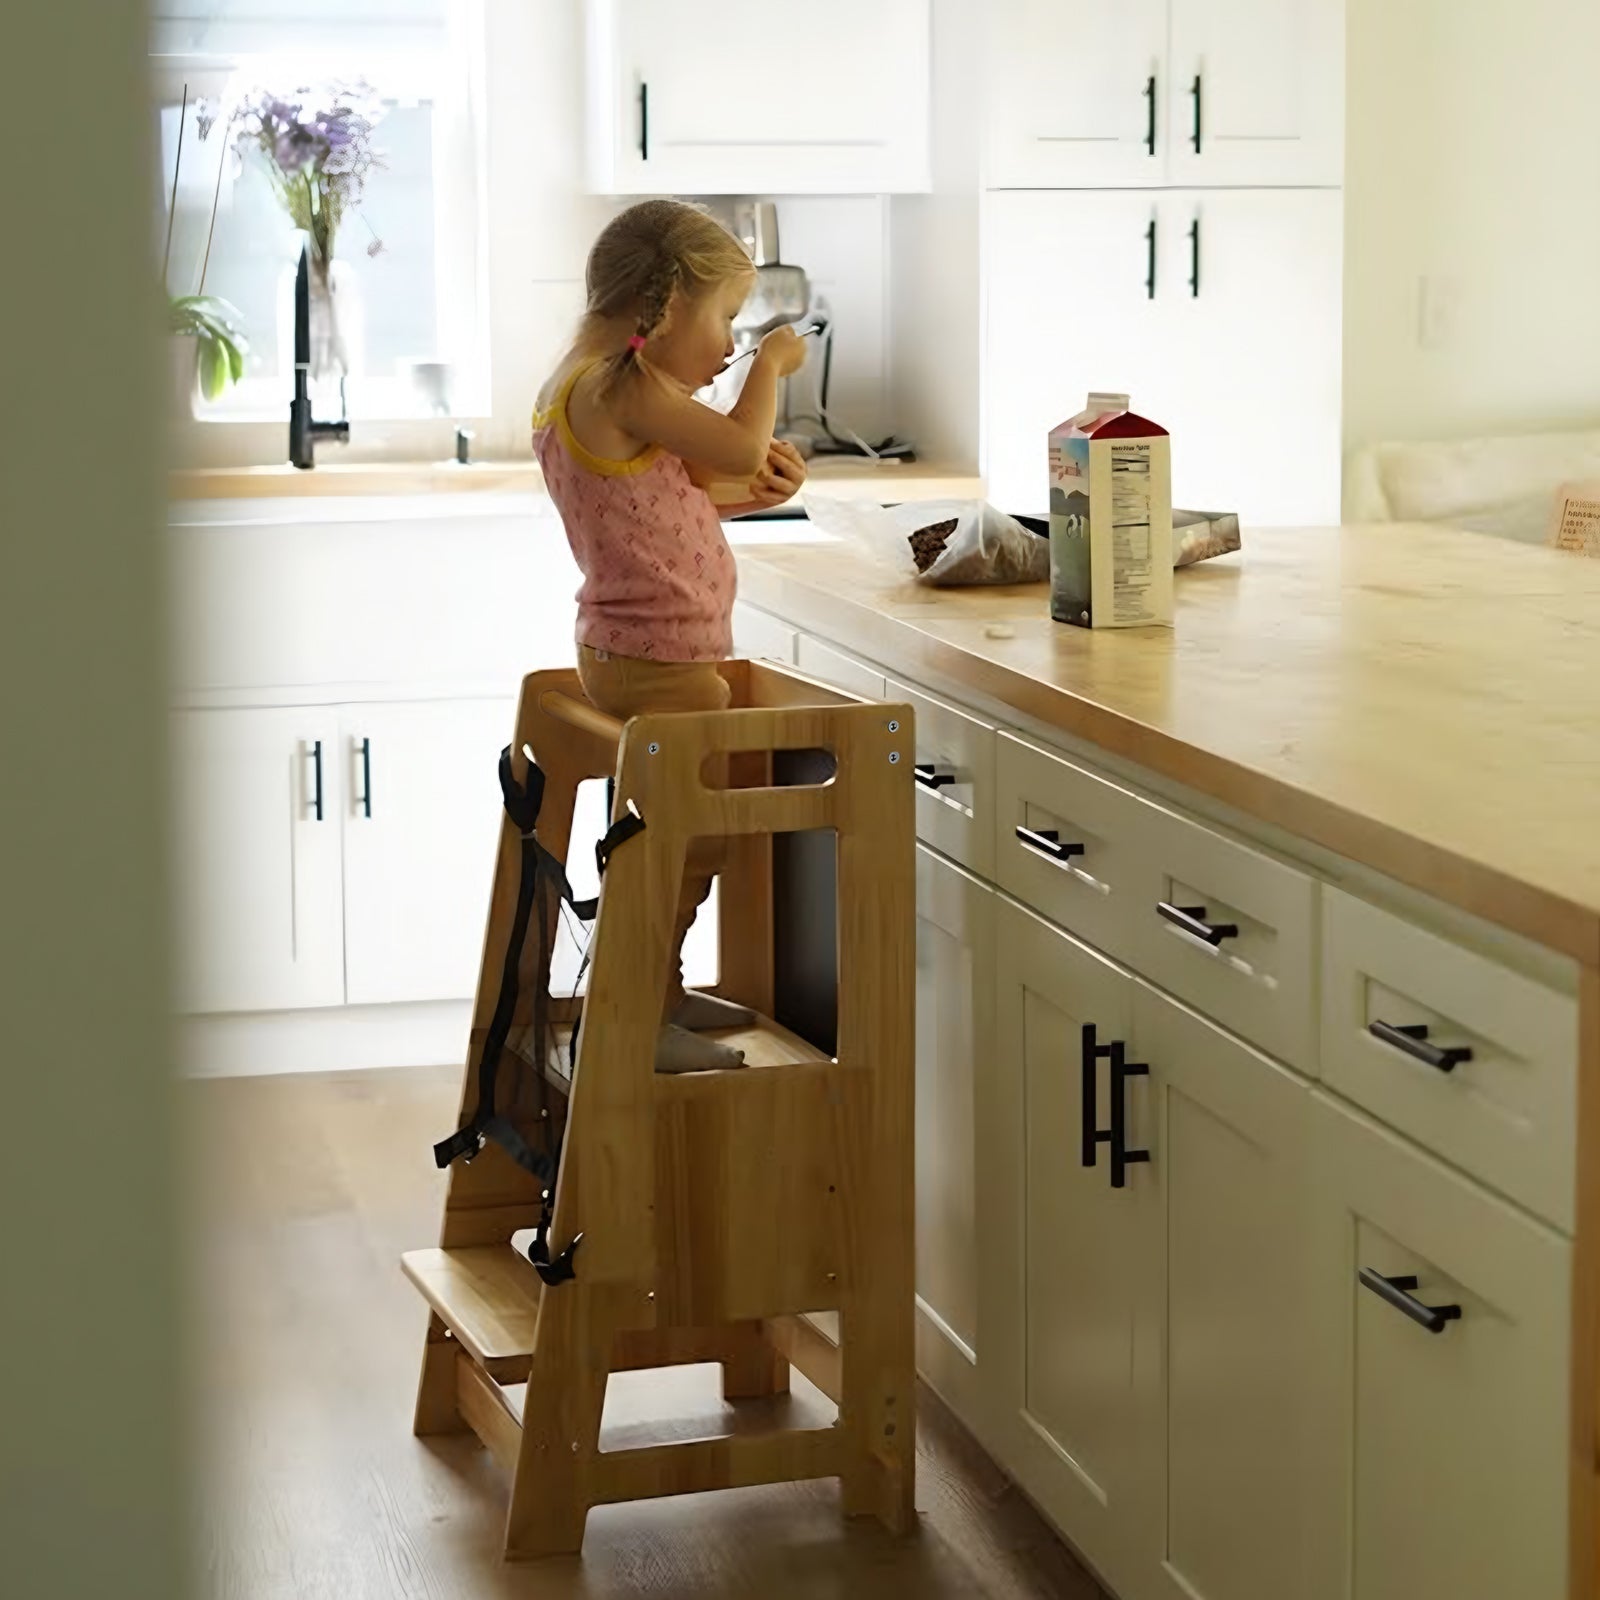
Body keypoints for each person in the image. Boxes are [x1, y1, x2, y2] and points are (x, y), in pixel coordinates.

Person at [533, 199, 809, 1073]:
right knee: (692, 835)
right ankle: (635, 1009)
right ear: (666, 301)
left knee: (681, 833)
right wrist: (772, 364)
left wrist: (749, 494)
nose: (730, 343)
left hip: (638, 653)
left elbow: (666, 504)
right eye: (725, 317)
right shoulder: (620, 383)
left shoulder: (586, 382)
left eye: (742, 329)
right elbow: (732, 446)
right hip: (659, 662)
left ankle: (656, 985)